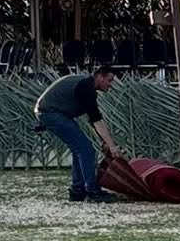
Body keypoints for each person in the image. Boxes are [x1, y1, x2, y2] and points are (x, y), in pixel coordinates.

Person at [35, 67, 122, 202]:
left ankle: (78, 190)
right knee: (86, 149)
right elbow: (96, 120)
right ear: (100, 77)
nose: (111, 85)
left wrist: (104, 142)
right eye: (109, 80)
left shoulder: (88, 86)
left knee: (79, 149)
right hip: (49, 112)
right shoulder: (86, 87)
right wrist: (112, 146)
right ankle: (92, 191)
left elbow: (93, 119)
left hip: (52, 112)